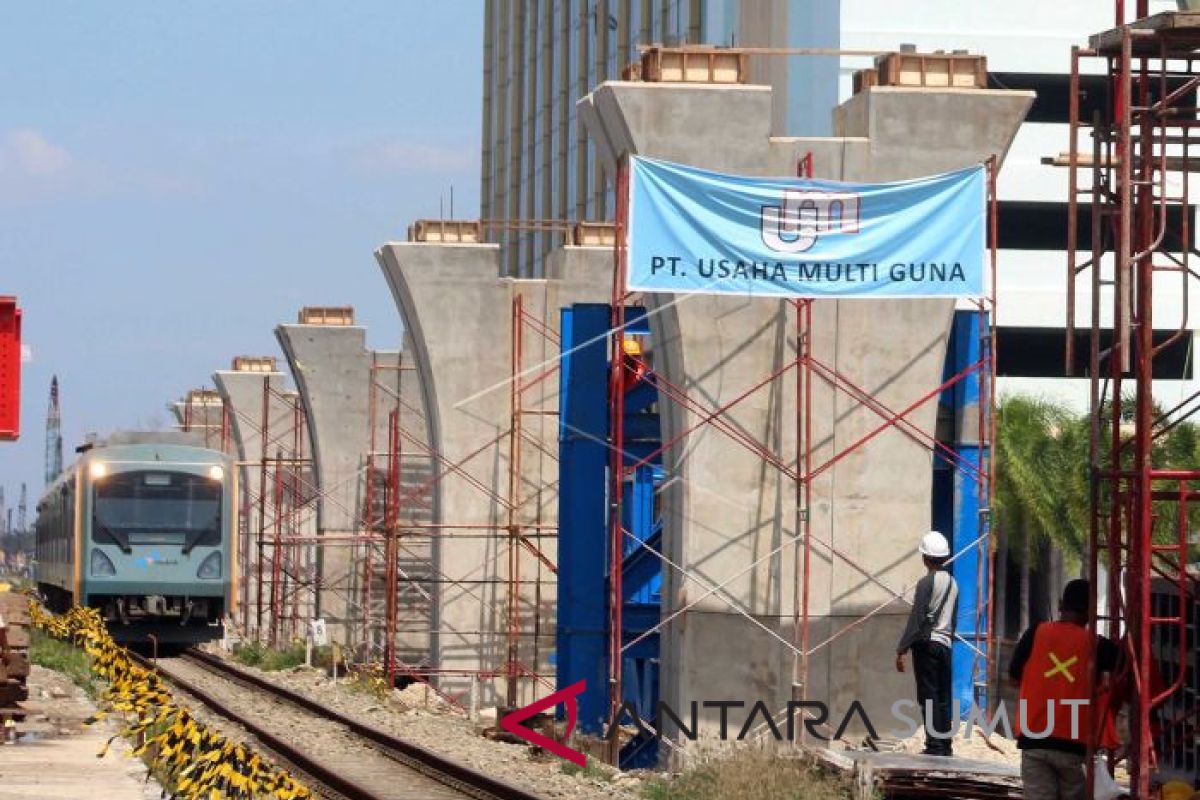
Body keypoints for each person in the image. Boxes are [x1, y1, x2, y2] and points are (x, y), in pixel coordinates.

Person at [1009, 579, 1119, 800]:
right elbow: (1128, 664)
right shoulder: (1097, 645)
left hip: (1035, 738)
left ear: (1061, 604)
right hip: (1074, 745)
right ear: (1090, 612)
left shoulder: (1035, 633)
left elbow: (1013, 678)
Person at [895, 530, 959, 756]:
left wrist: (901, 648)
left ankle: (934, 746)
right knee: (942, 697)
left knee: (928, 696)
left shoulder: (925, 583)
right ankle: (944, 745)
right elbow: (953, 620)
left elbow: (917, 618)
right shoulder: (953, 584)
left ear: (925, 558)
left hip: (927, 645)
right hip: (945, 645)